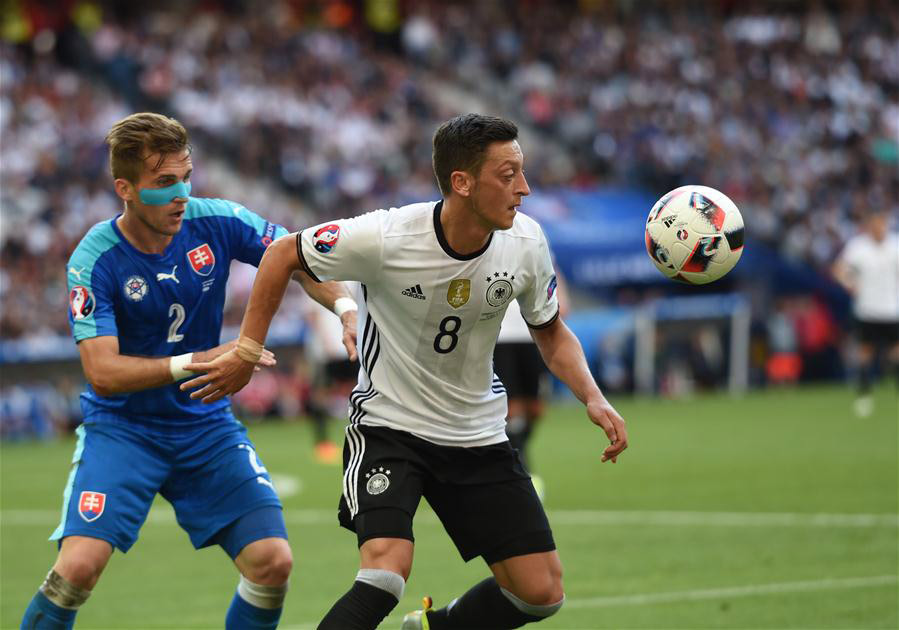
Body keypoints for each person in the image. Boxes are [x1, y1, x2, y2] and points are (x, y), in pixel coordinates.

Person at [183, 113, 629, 630]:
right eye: (508, 176)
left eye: (522, 173)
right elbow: (284, 253)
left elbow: (550, 331)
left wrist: (593, 396)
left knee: (540, 594)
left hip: (477, 434)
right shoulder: (386, 236)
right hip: (390, 427)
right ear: (461, 182)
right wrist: (246, 348)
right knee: (385, 576)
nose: (524, 189)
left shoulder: (526, 243)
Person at [21, 112, 358, 630]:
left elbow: (298, 254)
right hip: (124, 430)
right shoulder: (95, 259)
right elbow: (102, 372)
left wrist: (345, 309)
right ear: (125, 189)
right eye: (163, 184)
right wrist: (194, 362)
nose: (180, 193)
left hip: (204, 426)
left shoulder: (217, 219)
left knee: (273, 562)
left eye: (185, 177)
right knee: (77, 569)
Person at [493, 273, 569, 500]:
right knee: (512, 409)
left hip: (534, 334)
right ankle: (522, 472)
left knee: (535, 409)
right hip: (502, 335)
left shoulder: (536, 238)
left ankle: (509, 458)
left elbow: (551, 269)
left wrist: (562, 299)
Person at [832, 209, 899, 417]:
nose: (880, 229)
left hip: (892, 310)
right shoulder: (858, 247)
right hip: (867, 309)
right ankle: (864, 395)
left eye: (883, 224)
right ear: (870, 226)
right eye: (876, 225)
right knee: (865, 353)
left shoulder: (895, 245)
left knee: (896, 353)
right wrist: (849, 283)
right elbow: (838, 268)